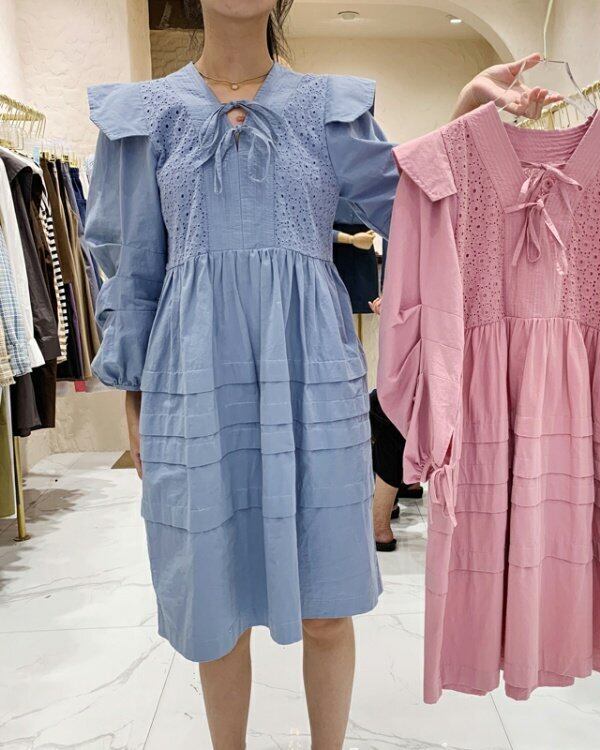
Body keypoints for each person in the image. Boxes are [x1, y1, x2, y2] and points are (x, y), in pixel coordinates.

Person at [84, 0, 559, 747]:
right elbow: (132, 266)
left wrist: (468, 109)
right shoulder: (143, 117)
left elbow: (417, 207)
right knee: (216, 606)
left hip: (313, 374)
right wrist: (134, 396)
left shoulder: (329, 109)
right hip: (193, 378)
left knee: (327, 607)